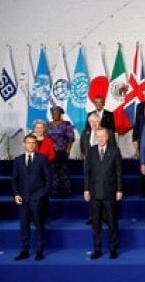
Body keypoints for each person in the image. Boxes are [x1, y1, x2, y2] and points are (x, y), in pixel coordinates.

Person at [11, 133, 52, 261]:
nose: (31, 145)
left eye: (33, 143)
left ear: (36, 145)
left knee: (39, 226)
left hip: (37, 199)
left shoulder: (42, 158)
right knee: (24, 226)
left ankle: (39, 251)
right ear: (24, 144)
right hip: (23, 199)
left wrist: (43, 194)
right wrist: (16, 194)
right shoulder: (18, 160)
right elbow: (14, 180)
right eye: (28, 143)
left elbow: (48, 178)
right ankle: (24, 250)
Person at [83, 128, 123, 259]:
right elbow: (87, 172)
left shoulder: (114, 151)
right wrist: (86, 189)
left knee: (112, 223)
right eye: (98, 136)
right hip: (95, 193)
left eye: (103, 136)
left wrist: (119, 190)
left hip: (110, 193)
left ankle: (113, 249)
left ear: (107, 137)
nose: (100, 139)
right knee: (96, 224)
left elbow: (118, 172)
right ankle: (97, 249)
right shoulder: (91, 151)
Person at [45, 106, 75, 197]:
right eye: (53, 114)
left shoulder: (66, 124)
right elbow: (45, 139)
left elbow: (70, 138)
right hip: (50, 152)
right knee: (51, 171)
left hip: (62, 151)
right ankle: (52, 190)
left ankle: (64, 191)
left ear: (60, 114)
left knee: (62, 171)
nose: (54, 115)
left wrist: (68, 150)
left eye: (56, 113)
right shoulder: (48, 125)